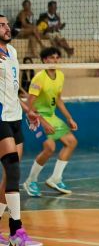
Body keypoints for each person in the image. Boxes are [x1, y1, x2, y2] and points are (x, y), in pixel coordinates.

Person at [0, 15, 41, 245]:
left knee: (10, 176)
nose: (8, 28)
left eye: (7, 25)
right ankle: (17, 232)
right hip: (0, 118)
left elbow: (14, 90)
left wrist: (27, 110)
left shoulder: (13, 52)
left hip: (15, 117)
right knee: (13, 170)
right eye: (2, 25)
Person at [23, 47, 79, 197]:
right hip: (34, 117)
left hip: (51, 116)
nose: (54, 60)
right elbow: (29, 105)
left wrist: (69, 117)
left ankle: (56, 178)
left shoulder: (60, 76)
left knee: (71, 141)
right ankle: (30, 181)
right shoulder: (39, 78)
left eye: (56, 57)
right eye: (51, 58)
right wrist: (42, 122)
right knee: (49, 147)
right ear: (44, 60)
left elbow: (58, 100)